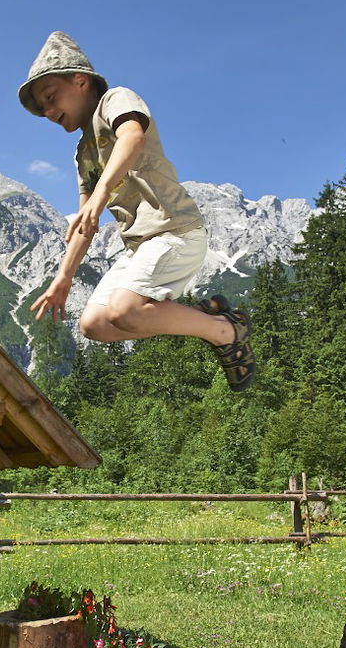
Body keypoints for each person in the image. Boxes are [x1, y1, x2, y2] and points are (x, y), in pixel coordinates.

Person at [20, 30, 256, 390]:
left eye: (50, 98)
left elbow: (132, 136)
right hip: (141, 246)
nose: (48, 112)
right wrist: (63, 278)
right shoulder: (82, 152)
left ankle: (226, 330)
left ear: (80, 81)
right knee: (95, 324)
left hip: (174, 230)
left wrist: (100, 194)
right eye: (42, 109)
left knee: (124, 310)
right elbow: (86, 223)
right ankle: (215, 325)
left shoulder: (116, 98)